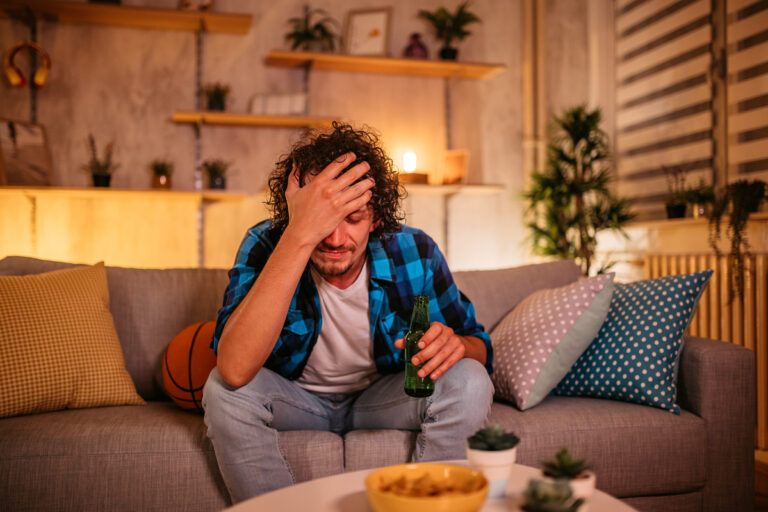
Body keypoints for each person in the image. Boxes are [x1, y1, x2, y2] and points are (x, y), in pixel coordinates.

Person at [202, 122, 494, 503]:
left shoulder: (414, 250)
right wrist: (299, 234)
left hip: (380, 401)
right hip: (296, 401)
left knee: (469, 378)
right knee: (222, 389)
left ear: (375, 218)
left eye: (352, 218)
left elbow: (481, 348)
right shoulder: (265, 243)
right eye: (322, 220)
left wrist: (456, 345)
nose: (335, 240)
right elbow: (235, 368)